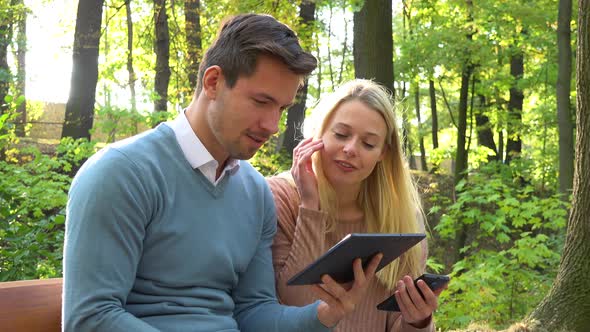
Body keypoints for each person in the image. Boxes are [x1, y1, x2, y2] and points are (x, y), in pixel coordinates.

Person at [62, 14, 383, 332]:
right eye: (261, 101)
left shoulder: (255, 192)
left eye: (282, 109)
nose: (272, 126)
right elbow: (92, 317)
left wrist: (324, 314)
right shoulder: (121, 174)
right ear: (213, 82)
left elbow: (254, 312)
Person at [268, 79, 444, 331]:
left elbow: (398, 323)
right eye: (341, 134)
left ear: (383, 153)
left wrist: (417, 320)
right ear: (318, 133)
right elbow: (296, 304)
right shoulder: (280, 197)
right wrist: (310, 207)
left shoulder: (401, 218)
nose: (350, 149)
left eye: (369, 143)